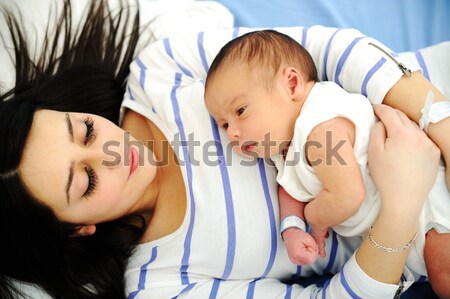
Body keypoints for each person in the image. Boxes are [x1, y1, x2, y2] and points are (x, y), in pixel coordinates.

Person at [0, 1, 446, 299]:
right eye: (87, 180)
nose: (111, 153)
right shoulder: (161, 283)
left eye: (85, 132)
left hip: (428, 92)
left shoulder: (159, 71)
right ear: (78, 230)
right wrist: (401, 207)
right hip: (427, 240)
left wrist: (440, 124)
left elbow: (321, 52)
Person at [203, 29, 450, 292]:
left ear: (292, 84)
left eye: (241, 111)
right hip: (406, 218)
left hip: (430, 203)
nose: (232, 133)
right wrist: (292, 227)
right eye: (224, 124)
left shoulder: (320, 127)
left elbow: (347, 195)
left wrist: (315, 220)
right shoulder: (286, 145)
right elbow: (290, 188)